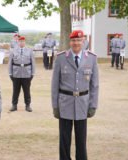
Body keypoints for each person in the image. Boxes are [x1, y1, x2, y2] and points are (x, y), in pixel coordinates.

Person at [51, 30, 99, 160]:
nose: (76, 43)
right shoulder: (61, 58)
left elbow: (94, 85)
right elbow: (54, 84)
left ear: (83, 41)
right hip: (65, 103)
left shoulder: (92, 58)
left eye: (79, 40)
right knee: (64, 138)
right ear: (70, 42)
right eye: (73, 40)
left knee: (81, 139)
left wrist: (93, 105)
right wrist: (55, 106)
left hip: (83, 103)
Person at [8, 36, 35, 112]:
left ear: (25, 42)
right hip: (16, 73)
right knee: (15, 90)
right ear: (18, 42)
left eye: (23, 41)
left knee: (27, 90)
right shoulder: (13, 51)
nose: (21, 43)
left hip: (27, 74)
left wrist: (32, 73)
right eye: (20, 41)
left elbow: (33, 63)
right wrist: (10, 73)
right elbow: (10, 63)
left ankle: (28, 105)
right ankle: (14, 105)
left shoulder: (29, 51)